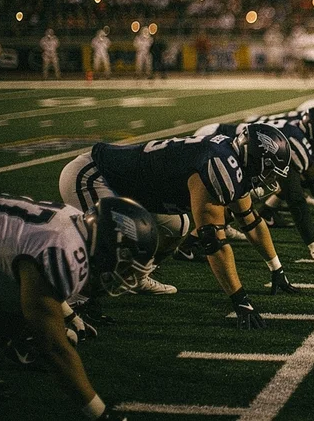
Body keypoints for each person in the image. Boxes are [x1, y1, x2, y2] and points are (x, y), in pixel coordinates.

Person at [58, 123, 299, 327]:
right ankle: (74, 301)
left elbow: (251, 221)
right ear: (253, 159)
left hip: (135, 189)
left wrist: (276, 269)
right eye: (268, 170)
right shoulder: (219, 166)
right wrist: (240, 299)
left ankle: (139, 277)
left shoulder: (232, 160)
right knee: (111, 238)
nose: (271, 178)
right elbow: (213, 241)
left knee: (178, 226)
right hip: (94, 176)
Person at [0, 186, 157, 419]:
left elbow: (36, 282)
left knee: (15, 302)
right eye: (126, 261)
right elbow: (53, 348)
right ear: (110, 244)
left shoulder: (73, 222)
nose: (125, 273)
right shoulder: (64, 253)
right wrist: (100, 414)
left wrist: (69, 315)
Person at [196, 106, 314, 265]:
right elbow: (295, 199)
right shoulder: (294, 143)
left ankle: (257, 214)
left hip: (232, 144)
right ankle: (190, 244)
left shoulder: (298, 138)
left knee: (243, 193)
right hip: (214, 141)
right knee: (222, 198)